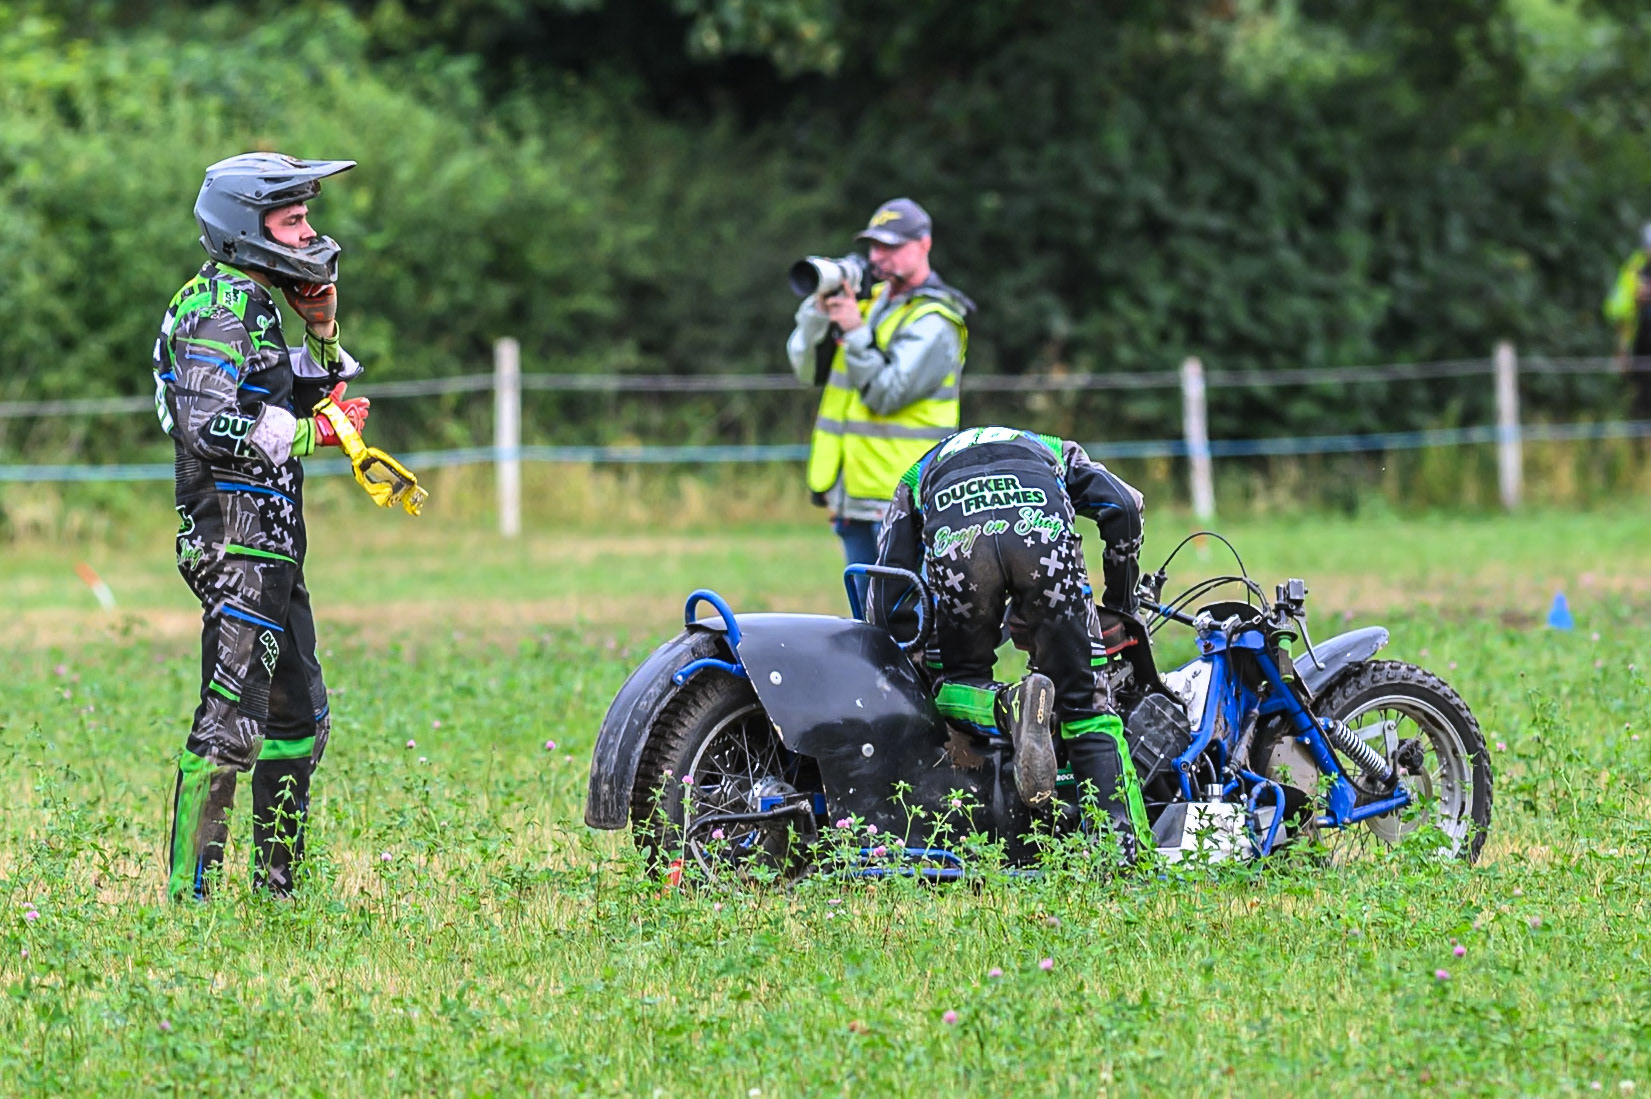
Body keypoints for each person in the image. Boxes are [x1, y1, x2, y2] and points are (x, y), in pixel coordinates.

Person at [155, 152, 369, 900]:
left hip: (274, 543)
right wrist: (316, 436)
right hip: (232, 542)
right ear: (247, 229)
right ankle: (189, 897)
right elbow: (206, 420)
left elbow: (299, 389)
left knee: (297, 714)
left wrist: (320, 329)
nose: (309, 231)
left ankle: (279, 886)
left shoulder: (255, 303)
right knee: (231, 718)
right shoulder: (217, 306)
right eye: (293, 219)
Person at [866, 425, 1149, 857]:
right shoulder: (1055, 449)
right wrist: (1121, 602)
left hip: (960, 546)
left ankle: (1007, 708)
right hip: (1042, 538)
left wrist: (916, 657)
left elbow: (887, 590)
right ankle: (1125, 853)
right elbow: (1125, 505)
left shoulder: (916, 473)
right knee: (1084, 703)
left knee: (956, 681)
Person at [787, 198, 974, 595]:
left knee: (909, 626)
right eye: (874, 247)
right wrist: (816, 314)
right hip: (853, 494)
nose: (879, 257)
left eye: (892, 246)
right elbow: (806, 371)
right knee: (865, 628)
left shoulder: (935, 321)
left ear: (924, 244)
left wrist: (854, 333)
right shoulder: (871, 308)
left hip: (903, 496)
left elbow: (886, 395)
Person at [1604, 223, 1651, 419]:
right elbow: (1615, 308)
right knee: (1640, 403)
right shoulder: (1634, 269)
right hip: (1640, 345)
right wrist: (1634, 299)